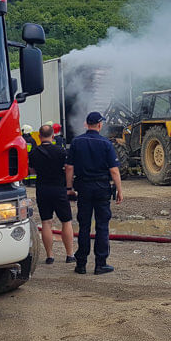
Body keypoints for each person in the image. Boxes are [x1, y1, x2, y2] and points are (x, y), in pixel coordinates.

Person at [65, 111, 123, 275]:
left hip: (83, 187)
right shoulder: (106, 144)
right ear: (99, 125)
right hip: (101, 188)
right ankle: (100, 264)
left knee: (84, 226)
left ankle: (81, 264)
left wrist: (69, 188)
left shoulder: (77, 142)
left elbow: (69, 168)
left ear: (86, 124)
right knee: (102, 226)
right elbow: (114, 171)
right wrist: (119, 189)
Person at [28, 124, 75, 264]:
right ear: (53, 136)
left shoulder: (35, 152)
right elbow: (68, 168)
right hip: (59, 189)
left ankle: (50, 256)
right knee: (66, 222)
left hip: (42, 189)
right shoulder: (61, 151)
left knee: (46, 222)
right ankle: (70, 255)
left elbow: (31, 170)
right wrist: (69, 187)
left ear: (40, 136)